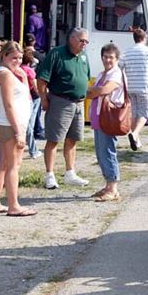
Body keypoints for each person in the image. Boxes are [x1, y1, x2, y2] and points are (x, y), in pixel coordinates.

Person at [36, 27, 91, 189]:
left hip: (78, 102)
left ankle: (70, 173)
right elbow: (42, 78)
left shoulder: (83, 56)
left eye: (86, 41)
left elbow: (86, 76)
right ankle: (50, 175)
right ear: (71, 39)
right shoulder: (56, 54)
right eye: (82, 40)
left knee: (73, 139)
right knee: (54, 139)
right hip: (60, 101)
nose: (84, 44)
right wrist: (44, 99)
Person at [0, 41, 37, 216]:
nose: (17, 61)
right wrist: (18, 132)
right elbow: (9, 105)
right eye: (14, 57)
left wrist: (23, 78)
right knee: (13, 166)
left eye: (20, 58)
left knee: (3, 164)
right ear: (4, 56)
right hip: (10, 124)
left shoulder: (6, 73)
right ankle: (13, 205)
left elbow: (24, 97)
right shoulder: (6, 75)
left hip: (8, 123)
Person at [86, 43, 125, 202]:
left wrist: (90, 92)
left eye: (111, 57)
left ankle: (113, 187)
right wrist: (93, 92)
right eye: (105, 57)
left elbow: (104, 90)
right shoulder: (102, 74)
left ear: (117, 59)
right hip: (99, 117)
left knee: (108, 151)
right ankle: (108, 185)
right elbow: (95, 92)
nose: (108, 60)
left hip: (108, 118)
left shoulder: (116, 74)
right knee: (100, 152)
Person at [121, 28, 148, 151]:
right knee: (144, 114)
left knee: (134, 114)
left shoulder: (127, 52)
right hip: (144, 87)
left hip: (131, 87)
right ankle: (134, 134)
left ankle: (136, 141)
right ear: (144, 38)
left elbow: (119, 68)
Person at [21, 48, 42, 159]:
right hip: (32, 98)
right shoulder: (29, 71)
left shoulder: (17, 69)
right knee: (30, 124)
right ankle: (33, 150)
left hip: (20, 99)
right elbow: (35, 87)